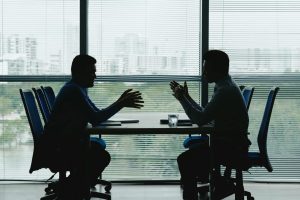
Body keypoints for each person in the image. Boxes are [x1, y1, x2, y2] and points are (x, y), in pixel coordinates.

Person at [40, 54, 144, 199]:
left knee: (97, 153)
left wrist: (119, 101)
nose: (95, 76)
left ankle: (70, 187)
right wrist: (121, 103)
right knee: (100, 157)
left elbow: (96, 113)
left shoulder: (77, 88)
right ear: (79, 73)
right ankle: (72, 190)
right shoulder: (74, 90)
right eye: (91, 72)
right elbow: (96, 119)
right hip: (60, 147)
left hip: (63, 142)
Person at [170, 50, 250, 200]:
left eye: (207, 69)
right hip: (230, 143)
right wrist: (186, 97)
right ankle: (219, 184)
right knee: (188, 158)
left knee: (185, 161)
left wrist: (182, 99)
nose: (203, 73)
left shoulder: (224, 91)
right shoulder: (225, 85)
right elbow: (205, 114)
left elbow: (200, 119)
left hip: (229, 148)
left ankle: (200, 192)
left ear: (218, 69)